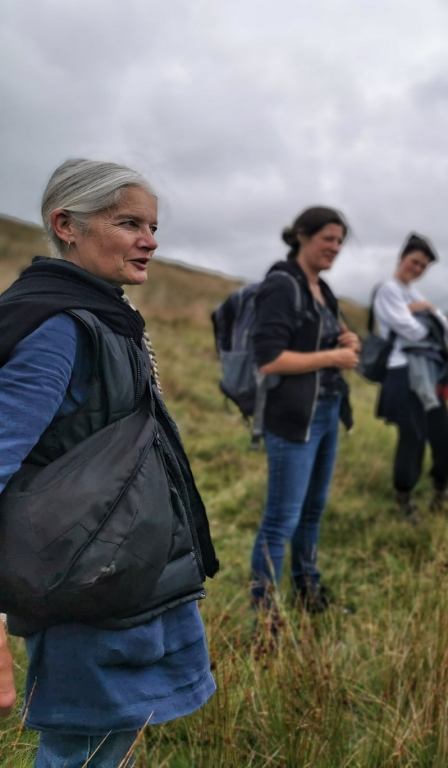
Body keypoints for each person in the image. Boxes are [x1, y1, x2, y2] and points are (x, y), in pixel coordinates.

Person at [0, 158, 219, 767]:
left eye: (152, 226)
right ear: (66, 224)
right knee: (77, 751)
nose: (149, 240)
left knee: (109, 742)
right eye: (129, 223)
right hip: (83, 586)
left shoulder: (106, 314)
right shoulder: (55, 327)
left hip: (127, 577)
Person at [249, 206, 360, 616]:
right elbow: (269, 358)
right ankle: (265, 616)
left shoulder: (323, 290)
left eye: (340, 241)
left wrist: (346, 339)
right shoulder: (282, 285)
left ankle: (309, 594)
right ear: (301, 235)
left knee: (313, 510)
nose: (335, 247)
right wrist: (333, 355)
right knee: (281, 519)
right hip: (293, 418)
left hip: (328, 410)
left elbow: (323, 341)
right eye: (328, 238)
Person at [373, 232, 448, 522]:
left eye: (423, 266)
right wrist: (424, 316)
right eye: (415, 262)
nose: (418, 269)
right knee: (413, 438)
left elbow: (442, 326)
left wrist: (422, 311)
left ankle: (440, 489)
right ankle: (404, 499)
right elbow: (413, 330)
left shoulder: (415, 294)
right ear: (402, 258)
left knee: (445, 437)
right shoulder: (388, 289)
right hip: (401, 372)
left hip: (428, 373)